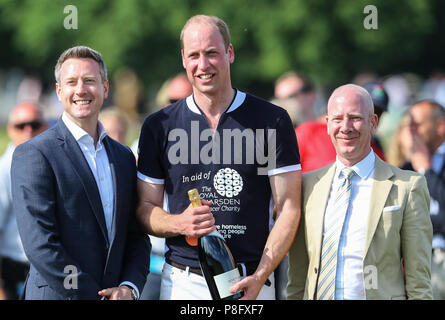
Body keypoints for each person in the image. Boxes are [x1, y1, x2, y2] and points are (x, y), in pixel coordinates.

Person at [136, 14, 301, 300]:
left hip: (253, 279)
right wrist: (180, 223)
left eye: (212, 53)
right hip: (184, 282)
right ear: (183, 60)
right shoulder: (158, 125)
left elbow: (289, 207)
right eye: (194, 55)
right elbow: (144, 208)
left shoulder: (272, 119)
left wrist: (261, 276)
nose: (203, 65)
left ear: (230, 53)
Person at [11, 46, 151, 300]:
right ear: (59, 91)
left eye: (89, 81)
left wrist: (129, 288)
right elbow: (41, 245)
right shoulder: (34, 154)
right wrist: (95, 296)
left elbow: (136, 235)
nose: (81, 90)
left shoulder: (123, 157)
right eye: (71, 82)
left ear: (105, 89)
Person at [287, 84, 433, 300]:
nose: (345, 127)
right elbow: (298, 277)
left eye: (355, 117)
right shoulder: (307, 185)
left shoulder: (407, 186)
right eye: (337, 119)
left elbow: (419, 281)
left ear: (373, 123)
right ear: (327, 124)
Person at [0, 103, 48, 299]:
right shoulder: (4, 170)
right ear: (10, 130)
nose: (28, 130)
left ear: (46, 126)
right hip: (14, 270)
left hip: (46, 270)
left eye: (35, 124)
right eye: (21, 126)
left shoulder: (49, 162)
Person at [401, 100, 445, 299]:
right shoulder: (407, 167)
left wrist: (426, 171)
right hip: (415, 260)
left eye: (416, 124)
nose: (411, 131)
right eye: (408, 125)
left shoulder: (422, 165)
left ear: (440, 126)